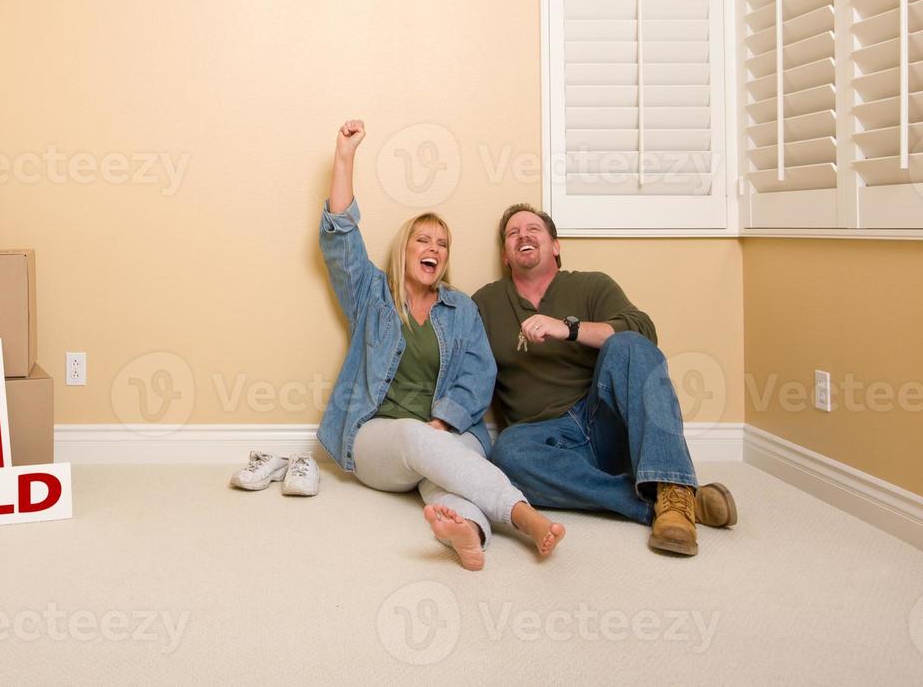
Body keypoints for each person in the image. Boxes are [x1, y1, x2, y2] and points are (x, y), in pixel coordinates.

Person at [316, 121, 565, 570]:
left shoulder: (461, 309)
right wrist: (345, 157)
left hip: (446, 435)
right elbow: (340, 238)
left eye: (443, 244)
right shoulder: (372, 294)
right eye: (424, 240)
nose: (435, 249)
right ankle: (522, 515)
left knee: (445, 472)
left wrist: (443, 423)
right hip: (380, 440)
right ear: (405, 249)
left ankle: (467, 532)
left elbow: (478, 374)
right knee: (417, 439)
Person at [472, 203, 738, 556]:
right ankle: (663, 504)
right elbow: (466, 363)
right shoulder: (486, 302)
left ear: (555, 245)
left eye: (533, 229)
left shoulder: (591, 285)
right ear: (506, 255)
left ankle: (673, 488)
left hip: (604, 422)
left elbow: (644, 332)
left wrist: (569, 329)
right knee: (506, 453)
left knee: (628, 343)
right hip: (547, 440)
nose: (523, 235)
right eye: (513, 233)